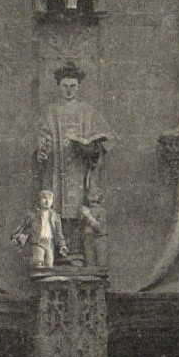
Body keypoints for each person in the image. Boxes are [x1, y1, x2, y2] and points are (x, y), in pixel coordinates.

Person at [35, 61, 111, 254]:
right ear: (59, 87)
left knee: (79, 208)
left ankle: (76, 253)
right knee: (56, 207)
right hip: (56, 167)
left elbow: (106, 140)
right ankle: (59, 253)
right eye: (65, 86)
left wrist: (91, 147)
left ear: (78, 87)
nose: (69, 91)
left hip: (80, 170)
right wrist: (43, 146)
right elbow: (41, 137)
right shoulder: (50, 112)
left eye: (73, 86)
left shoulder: (88, 111)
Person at [12, 188, 67, 269]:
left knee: (49, 263)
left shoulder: (55, 216)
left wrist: (62, 245)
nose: (47, 201)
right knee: (39, 262)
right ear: (40, 200)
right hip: (38, 242)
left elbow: (59, 233)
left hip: (49, 243)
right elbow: (23, 228)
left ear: (52, 201)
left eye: (49, 199)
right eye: (44, 198)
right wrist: (16, 237)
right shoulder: (33, 215)